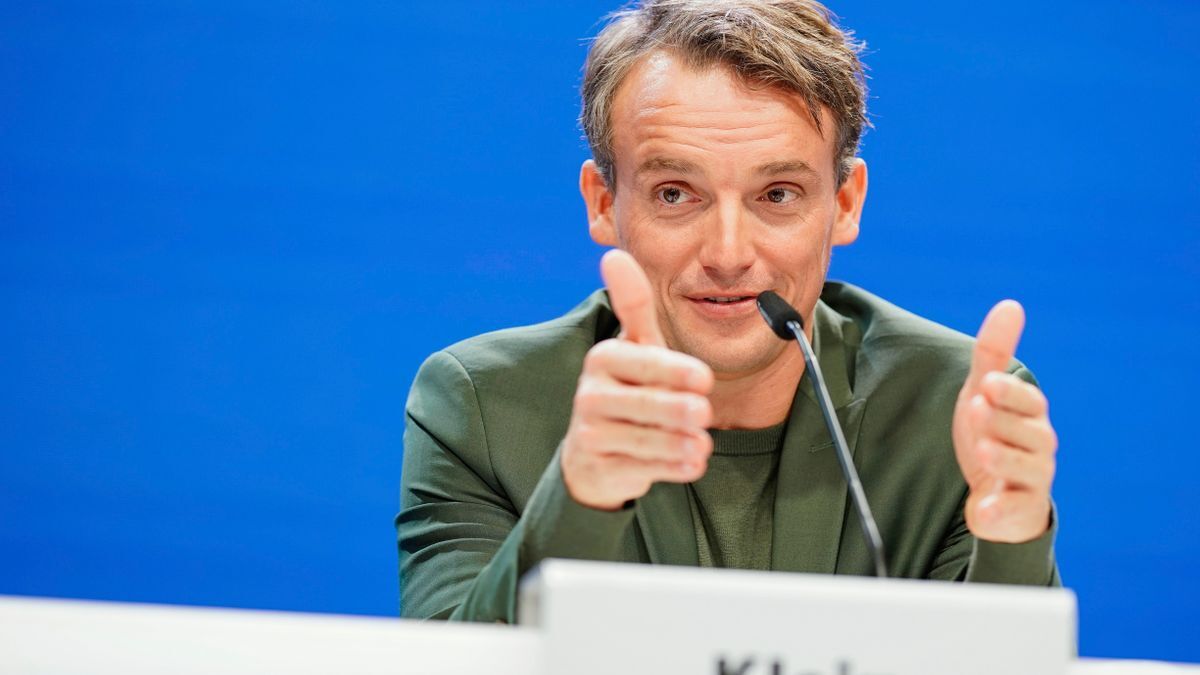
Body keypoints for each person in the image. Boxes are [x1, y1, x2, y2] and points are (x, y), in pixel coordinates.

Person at [396, 0, 1061, 622]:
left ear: (845, 203)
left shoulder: (955, 412)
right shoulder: (485, 407)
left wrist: (1010, 547)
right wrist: (579, 499)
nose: (728, 254)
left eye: (778, 194)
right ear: (603, 202)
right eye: (675, 193)